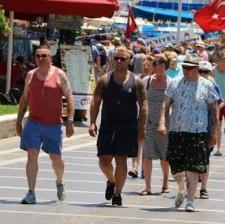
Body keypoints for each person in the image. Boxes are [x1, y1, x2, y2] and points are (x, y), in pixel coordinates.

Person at [158, 58, 219, 212]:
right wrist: (162, 122)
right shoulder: (175, 83)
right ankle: (181, 189)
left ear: (197, 68)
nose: (186, 71)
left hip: (198, 133)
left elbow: (213, 110)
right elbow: (166, 103)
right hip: (177, 131)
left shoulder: (207, 85)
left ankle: (190, 200)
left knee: (192, 167)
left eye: (190, 68)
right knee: (176, 167)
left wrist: (214, 133)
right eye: (184, 67)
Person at [89, 47, 147, 206]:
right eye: (117, 58)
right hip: (107, 125)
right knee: (103, 160)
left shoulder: (137, 82)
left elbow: (143, 106)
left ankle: (117, 194)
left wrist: (142, 128)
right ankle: (111, 180)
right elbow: (95, 102)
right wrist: (93, 122)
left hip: (127, 127)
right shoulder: (104, 80)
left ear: (129, 61)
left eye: (123, 59)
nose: (119, 61)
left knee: (122, 160)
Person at [16, 46, 75, 204]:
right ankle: (31, 192)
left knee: (56, 159)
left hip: (53, 124)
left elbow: (69, 97)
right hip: (33, 122)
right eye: (37, 56)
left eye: (44, 55)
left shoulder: (59, 75)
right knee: (31, 154)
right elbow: (24, 99)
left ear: (50, 58)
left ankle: (60, 181)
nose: (40, 58)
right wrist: (18, 121)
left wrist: (70, 120)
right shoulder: (30, 75)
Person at [139, 54, 171, 195]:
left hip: (166, 124)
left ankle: (165, 182)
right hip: (149, 123)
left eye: (155, 63)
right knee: (147, 154)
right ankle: (148, 187)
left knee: (165, 156)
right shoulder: (147, 81)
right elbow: (141, 102)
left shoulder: (171, 83)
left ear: (163, 66)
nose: (152, 66)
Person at [198, 60, 223, 199]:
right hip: (193, 129)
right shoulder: (191, 85)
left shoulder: (213, 87)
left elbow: (218, 105)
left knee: (205, 158)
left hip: (207, 128)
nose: (203, 74)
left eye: (206, 72)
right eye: (201, 71)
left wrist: (214, 130)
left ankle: (203, 188)